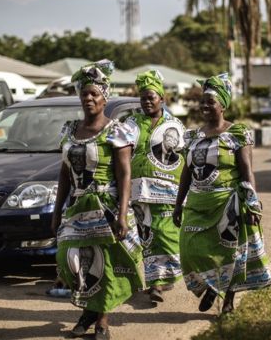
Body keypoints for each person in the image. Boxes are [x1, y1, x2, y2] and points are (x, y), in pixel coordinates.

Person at [51, 60, 143, 340]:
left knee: (104, 263)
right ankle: (90, 311)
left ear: (105, 98)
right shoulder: (70, 130)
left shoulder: (116, 131)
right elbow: (65, 174)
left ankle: (101, 320)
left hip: (106, 206)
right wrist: (57, 210)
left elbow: (125, 174)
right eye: (84, 94)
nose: (88, 98)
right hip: (77, 207)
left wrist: (123, 213)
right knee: (71, 259)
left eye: (94, 94)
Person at [173, 73, 271, 314]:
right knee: (189, 250)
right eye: (203, 101)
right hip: (198, 203)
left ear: (223, 105)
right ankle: (211, 286)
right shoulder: (193, 136)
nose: (205, 106)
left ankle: (227, 300)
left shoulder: (236, 134)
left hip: (229, 203)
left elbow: (247, 171)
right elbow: (187, 172)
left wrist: (253, 203)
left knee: (230, 253)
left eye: (211, 101)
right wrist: (178, 204)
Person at [124, 69, 186, 303]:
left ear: (162, 99)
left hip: (168, 192)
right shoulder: (131, 123)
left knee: (166, 235)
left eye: (151, 97)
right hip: (137, 191)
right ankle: (154, 284)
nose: (147, 101)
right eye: (143, 98)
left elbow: (182, 159)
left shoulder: (174, 124)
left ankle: (161, 281)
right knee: (146, 237)